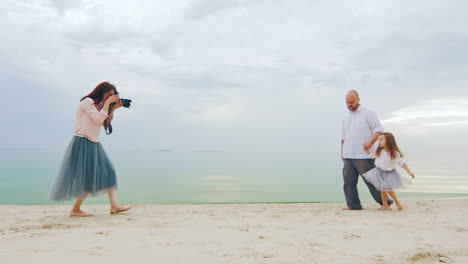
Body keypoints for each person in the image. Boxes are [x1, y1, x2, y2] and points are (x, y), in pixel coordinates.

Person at [50, 82, 131, 217]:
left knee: (109, 171)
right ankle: (76, 209)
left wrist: (114, 108)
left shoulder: (100, 105)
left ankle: (114, 206)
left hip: (94, 142)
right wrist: (107, 104)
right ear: (102, 91)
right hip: (83, 141)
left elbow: (106, 122)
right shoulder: (87, 102)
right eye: (109, 94)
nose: (111, 97)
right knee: (88, 178)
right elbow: (98, 119)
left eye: (113, 95)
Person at [341, 90, 393, 210]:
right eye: (347, 102)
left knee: (372, 181)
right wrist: (342, 151)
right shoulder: (345, 116)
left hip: (364, 155)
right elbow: (343, 137)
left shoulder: (369, 113)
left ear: (358, 100)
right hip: (348, 154)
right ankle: (353, 205)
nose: (349, 105)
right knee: (348, 182)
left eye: (352, 102)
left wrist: (371, 142)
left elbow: (378, 130)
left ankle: (386, 203)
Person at [363, 132, 415, 211]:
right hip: (379, 172)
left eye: (381, 140)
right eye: (379, 140)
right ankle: (385, 205)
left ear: (388, 141)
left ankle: (397, 203)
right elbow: (371, 156)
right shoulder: (379, 151)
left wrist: (409, 171)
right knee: (382, 190)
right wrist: (366, 150)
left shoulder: (393, 153)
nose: (379, 142)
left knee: (387, 189)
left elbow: (401, 162)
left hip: (389, 174)